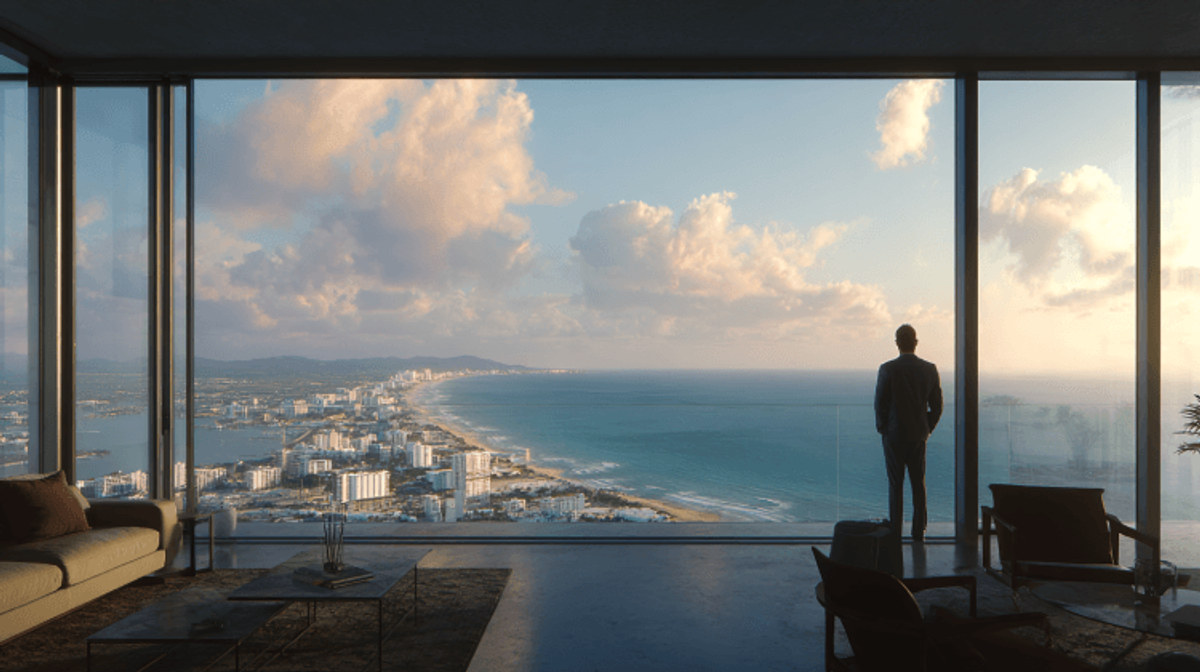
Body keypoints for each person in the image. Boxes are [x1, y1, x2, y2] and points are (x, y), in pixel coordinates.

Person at [874, 324, 942, 543]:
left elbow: (879, 404)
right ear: (916, 342)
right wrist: (927, 428)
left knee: (896, 485)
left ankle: (895, 531)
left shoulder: (887, 369)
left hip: (893, 436)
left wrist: (883, 428)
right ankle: (918, 532)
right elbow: (937, 406)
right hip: (917, 436)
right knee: (918, 484)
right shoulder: (929, 369)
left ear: (897, 343)